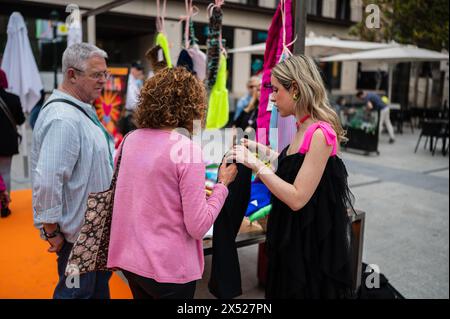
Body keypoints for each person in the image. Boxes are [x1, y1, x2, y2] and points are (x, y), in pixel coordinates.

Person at [227, 55, 354, 299]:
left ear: (294, 88)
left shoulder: (320, 133)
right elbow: (293, 166)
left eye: (276, 90)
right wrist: (259, 150)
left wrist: (255, 164)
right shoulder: (303, 125)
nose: (272, 98)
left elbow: (297, 197)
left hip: (308, 243)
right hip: (293, 233)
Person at [107, 67, 238, 299]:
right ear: (192, 105)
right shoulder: (187, 149)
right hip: (168, 268)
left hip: (131, 260)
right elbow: (198, 227)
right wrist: (222, 186)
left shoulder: (129, 140)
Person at [31, 43, 115, 299]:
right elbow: (47, 181)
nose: (103, 81)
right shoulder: (64, 118)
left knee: (94, 291)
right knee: (75, 294)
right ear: (72, 75)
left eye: (105, 74)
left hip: (92, 231)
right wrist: (51, 231)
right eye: (96, 75)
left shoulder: (77, 110)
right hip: (79, 237)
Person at [0, 68, 25, 197]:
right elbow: (21, 120)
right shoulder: (13, 98)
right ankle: (4, 205)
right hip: (7, 141)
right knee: (5, 173)